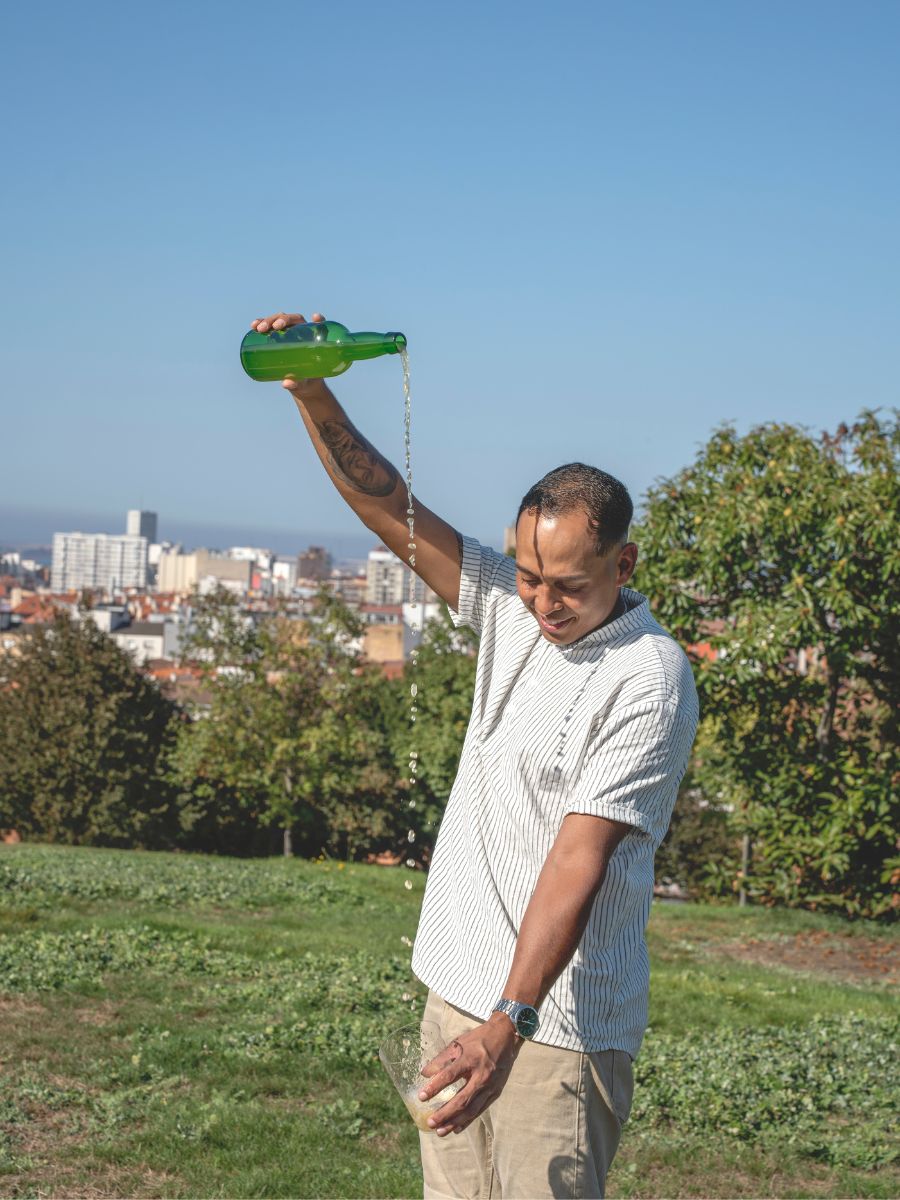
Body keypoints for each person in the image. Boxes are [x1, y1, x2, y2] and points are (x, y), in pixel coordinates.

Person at [252, 310, 699, 1199]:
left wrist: (508, 1023)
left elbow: (577, 859)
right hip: (456, 998)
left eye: (569, 585)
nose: (543, 603)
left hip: (555, 1029)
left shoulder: (649, 677)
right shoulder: (508, 605)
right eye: (530, 577)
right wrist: (310, 391)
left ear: (623, 565)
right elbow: (389, 507)